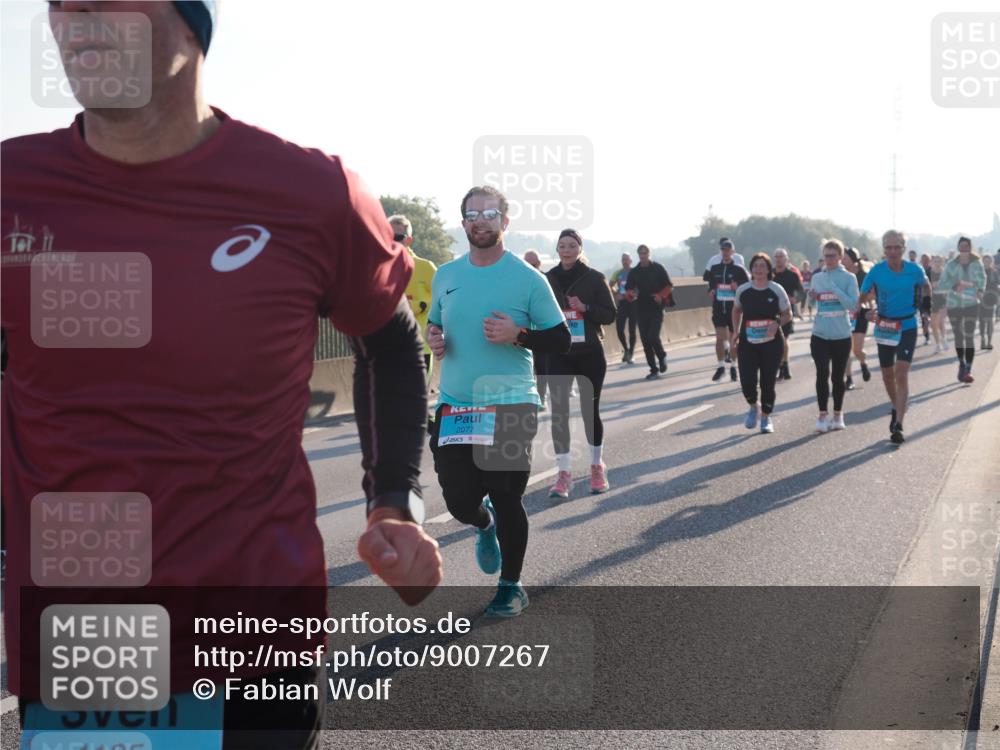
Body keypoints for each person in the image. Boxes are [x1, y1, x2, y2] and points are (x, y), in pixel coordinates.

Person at [2, 3, 442, 746]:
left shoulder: (314, 192)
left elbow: (391, 345)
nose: (77, 20)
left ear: (190, 21)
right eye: (61, 3)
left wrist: (393, 501)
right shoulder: (12, 185)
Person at [426, 186, 570, 618]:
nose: (481, 221)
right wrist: (434, 338)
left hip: (509, 403)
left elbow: (561, 339)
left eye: (490, 213)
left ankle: (511, 586)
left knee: (506, 493)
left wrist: (519, 335)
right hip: (455, 403)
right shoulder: (446, 275)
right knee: (458, 501)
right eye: (472, 214)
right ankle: (482, 524)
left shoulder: (528, 279)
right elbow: (435, 323)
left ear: (505, 222)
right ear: (464, 223)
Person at [543, 230, 617, 499]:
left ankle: (597, 467)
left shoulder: (594, 278)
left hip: (589, 354)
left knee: (589, 410)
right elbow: (537, 313)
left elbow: (610, 315)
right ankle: (563, 474)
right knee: (559, 412)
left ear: (579, 248)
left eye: (571, 245)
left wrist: (585, 308)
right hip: (559, 352)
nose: (566, 250)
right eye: (562, 245)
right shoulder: (547, 279)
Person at [860, 230, 931, 444]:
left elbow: (926, 286)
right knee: (887, 375)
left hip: (907, 324)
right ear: (884, 249)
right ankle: (896, 405)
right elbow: (862, 299)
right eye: (888, 248)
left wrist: (925, 310)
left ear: (903, 248)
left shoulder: (915, 270)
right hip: (884, 326)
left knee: (901, 372)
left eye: (896, 247)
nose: (892, 251)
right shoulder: (876, 271)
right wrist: (867, 312)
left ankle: (899, 423)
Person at [731, 253, 792, 434]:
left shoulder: (776, 289)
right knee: (747, 381)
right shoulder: (743, 290)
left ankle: (765, 417)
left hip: (771, 343)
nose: (759, 269)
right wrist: (735, 331)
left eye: (762, 266)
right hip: (748, 343)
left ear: (768, 269)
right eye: (756, 266)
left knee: (767, 382)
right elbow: (736, 310)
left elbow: (787, 313)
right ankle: (753, 406)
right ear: (751, 269)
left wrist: (776, 324)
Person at [808, 240, 859, 432]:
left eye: (831, 256)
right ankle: (822, 415)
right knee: (822, 373)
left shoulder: (849, 278)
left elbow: (853, 306)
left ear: (840, 256)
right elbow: (813, 305)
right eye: (825, 256)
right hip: (820, 333)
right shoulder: (817, 277)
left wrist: (835, 290)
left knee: (837, 377)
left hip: (841, 335)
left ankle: (838, 414)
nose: (828, 260)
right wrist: (812, 299)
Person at [391, 214, 438, 378]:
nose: (393, 241)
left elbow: (445, 298)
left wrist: (421, 304)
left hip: (420, 345)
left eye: (398, 237)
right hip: (388, 347)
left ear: (409, 240)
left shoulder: (425, 267)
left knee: (417, 401)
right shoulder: (377, 267)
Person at [939, 237, 986, 383]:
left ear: (970, 248)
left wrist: (980, 290)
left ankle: (968, 369)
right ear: (958, 248)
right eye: (961, 246)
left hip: (972, 304)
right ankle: (961, 363)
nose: (964, 249)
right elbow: (942, 283)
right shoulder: (951, 264)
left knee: (969, 336)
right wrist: (954, 286)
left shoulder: (977, 263)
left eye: (966, 246)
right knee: (958, 336)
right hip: (955, 304)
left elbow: (982, 279)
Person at [625, 244, 673, 380]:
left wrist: (660, 296)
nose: (642, 255)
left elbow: (669, 286)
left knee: (653, 336)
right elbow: (628, 290)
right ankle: (653, 369)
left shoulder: (658, 268)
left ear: (649, 253)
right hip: (641, 309)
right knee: (645, 340)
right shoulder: (634, 272)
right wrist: (631, 294)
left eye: (645, 253)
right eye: (640, 253)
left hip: (656, 308)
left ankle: (662, 356)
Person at [704, 240, 748, 382]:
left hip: (734, 309)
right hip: (718, 308)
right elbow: (711, 285)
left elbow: (747, 288)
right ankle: (721, 366)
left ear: (733, 252)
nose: (725, 252)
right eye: (723, 250)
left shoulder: (739, 270)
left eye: (728, 250)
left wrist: (738, 287)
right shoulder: (715, 268)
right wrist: (710, 291)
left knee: (734, 339)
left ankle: (734, 366)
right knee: (719, 339)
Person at [841, 247, 872, 390]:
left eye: (845, 257)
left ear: (853, 260)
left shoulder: (863, 275)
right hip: (844, 315)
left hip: (860, 315)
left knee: (857, 350)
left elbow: (873, 294)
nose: (842, 259)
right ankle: (849, 378)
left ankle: (863, 363)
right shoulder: (840, 275)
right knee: (846, 349)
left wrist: (860, 301)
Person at [523, 250, 549, 406]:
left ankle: (541, 396)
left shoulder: (546, 280)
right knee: (527, 367)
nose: (531, 267)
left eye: (534, 264)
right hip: (523, 332)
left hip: (543, 332)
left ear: (539, 264)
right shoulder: (518, 281)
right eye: (528, 265)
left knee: (541, 366)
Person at [772, 249, 804, 380]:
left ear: (787, 259)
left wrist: (795, 299)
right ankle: (780, 365)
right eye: (777, 257)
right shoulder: (769, 274)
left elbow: (801, 292)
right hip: (771, 311)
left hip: (786, 312)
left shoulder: (792, 275)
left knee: (784, 338)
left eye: (781, 257)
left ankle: (785, 364)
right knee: (774, 342)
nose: (779, 259)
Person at [609, 253, 638, 363]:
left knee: (632, 330)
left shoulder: (635, 272)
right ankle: (626, 349)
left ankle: (631, 353)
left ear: (631, 261)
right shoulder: (618, 273)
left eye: (626, 259)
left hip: (634, 303)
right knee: (619, 328)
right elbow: (610, 284)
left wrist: (636, 294)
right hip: (622, 303)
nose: (625, 261)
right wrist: (616, 294)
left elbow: (641, 285)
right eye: (623, 259)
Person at [928, 255, 949, 353]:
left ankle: (944, 339)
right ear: (932, 262)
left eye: (939, 261)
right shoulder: (929, 272)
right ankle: (938, 344)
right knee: (933, 324)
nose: (937, 263)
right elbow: (927, 285)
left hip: (943, 300)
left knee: (940, 322)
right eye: (935, 261)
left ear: (942, 262)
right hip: (933, 299)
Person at [981, 254, 998, 350]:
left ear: (991, 262)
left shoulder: (994, 272)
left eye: (989, 261)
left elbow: (996, 286)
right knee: (982, 321)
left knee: (990, 321)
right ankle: (983, 340)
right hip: (981, 299)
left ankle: (989, 342)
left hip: (991, 299)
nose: (987, 263)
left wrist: (998, 299)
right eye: (985, 261)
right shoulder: (979, 272)